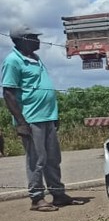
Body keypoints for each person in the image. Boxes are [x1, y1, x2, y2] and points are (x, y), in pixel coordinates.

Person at [2, 26, 85, 211]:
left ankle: (58, 194)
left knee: (53, 158)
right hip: (31, 118)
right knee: (37, 160)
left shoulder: (35, 58)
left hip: (47, 116)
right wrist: (21, 123)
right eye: (33, 37)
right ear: (23, 40)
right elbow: (8, 93)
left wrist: (54, 115)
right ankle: (37, 198)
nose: (38, 40)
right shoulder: (13, 61)